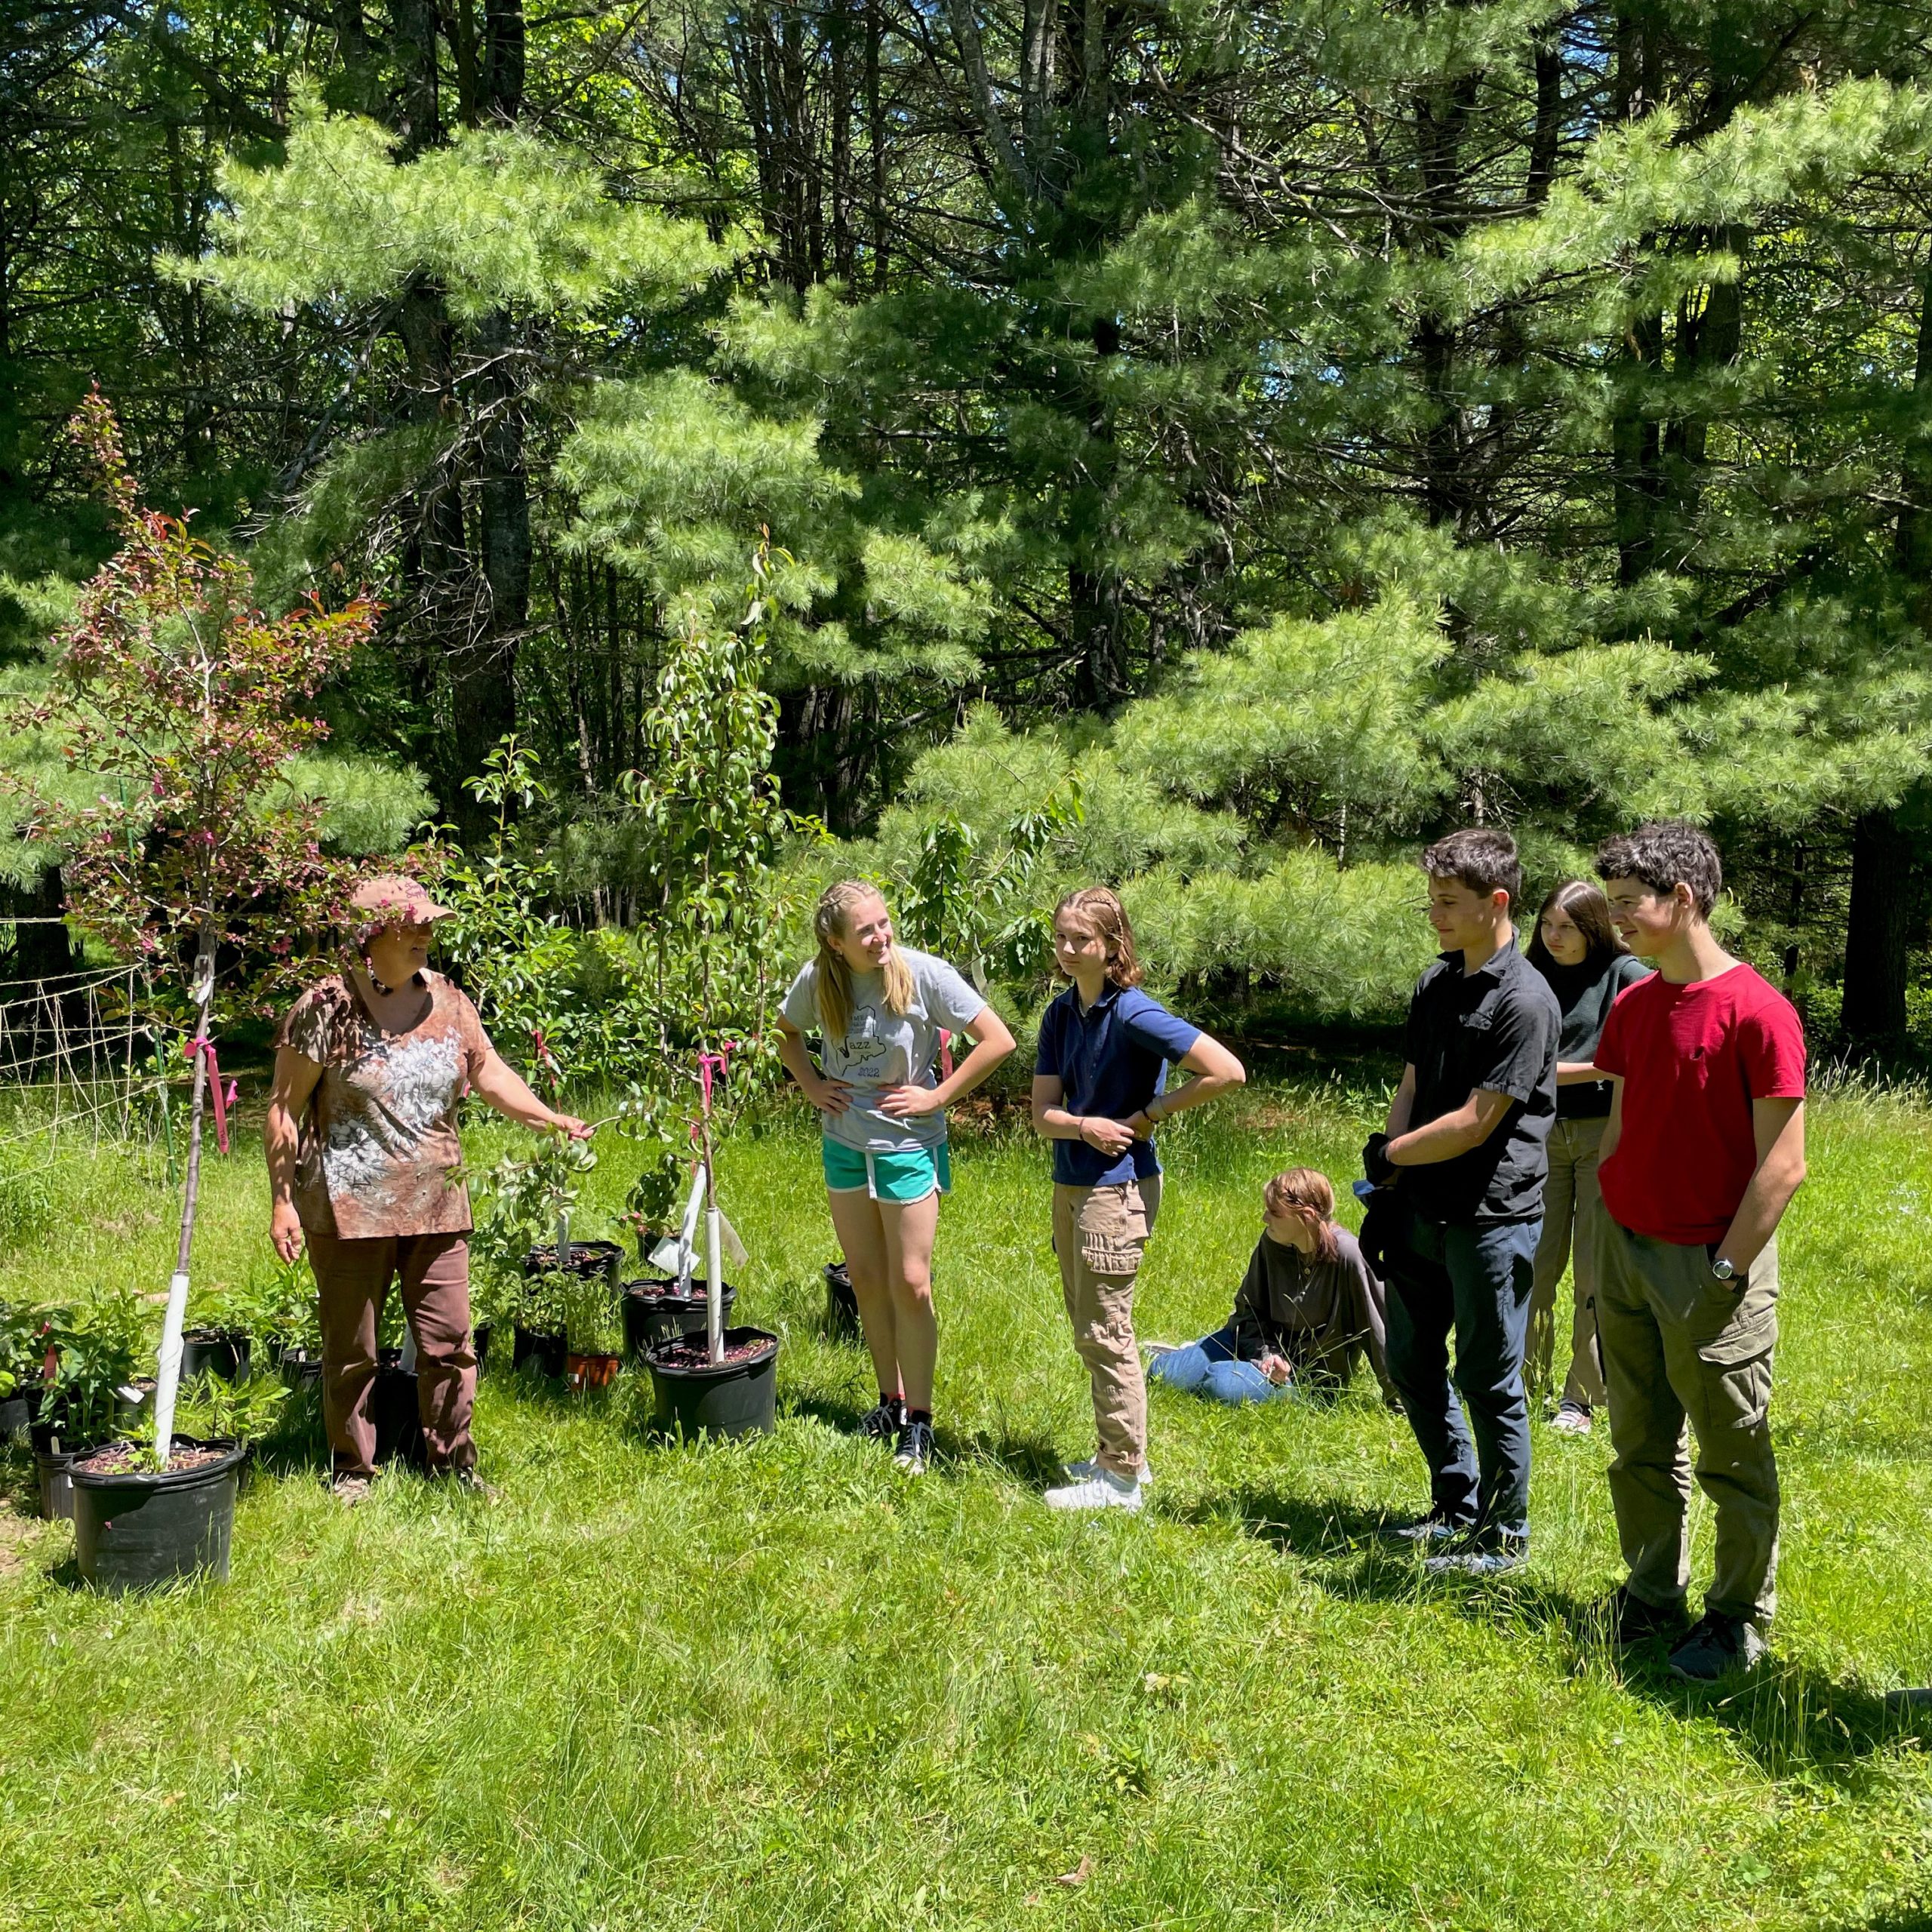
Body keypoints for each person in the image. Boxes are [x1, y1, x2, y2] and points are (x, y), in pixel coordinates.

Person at [265, 875, 592, 1503]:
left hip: (438, 1203)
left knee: (449, 1344)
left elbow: (489, 1072)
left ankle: (453, 1465)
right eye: (409, 925)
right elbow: (282, 1109)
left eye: (428, 924)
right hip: (346, 1210)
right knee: (352, 1352)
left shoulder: (451, 1000)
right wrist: (282, 1201)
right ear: (371, 936)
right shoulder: (326, 1008)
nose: (425, 935)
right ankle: (352, 1470)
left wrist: (548, 1118)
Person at [1591, 822, 1806, 1682]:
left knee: (1732, 1453)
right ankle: (1651, 1593)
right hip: (1626, 1253)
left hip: (1714, 1264)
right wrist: (1610, 1216)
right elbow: (1620, 1127)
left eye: (1627, 904)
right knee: (1638, 1442)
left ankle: (1736, 1618)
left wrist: (1725, 1272)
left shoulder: (1759, 1011)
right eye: (1610, 904)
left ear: (1682, 899)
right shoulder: (1633, 1005)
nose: (1616, 921)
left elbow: (1782, 1166)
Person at [1361, 829, 1559, 1576]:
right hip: (1419, 1207)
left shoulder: (1526, 1001)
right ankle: (1454, 1504)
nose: (1435, 915)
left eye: (1448, 902)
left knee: (1487, 1377)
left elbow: (1478, 1122)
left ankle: (1504, 1539)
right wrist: (1388, 1166)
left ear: (1496, 902)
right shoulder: (1435, 983)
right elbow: (1413, 1084)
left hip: (1491, 1217)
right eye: (1432, 900)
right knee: (1409, 1360)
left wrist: (1393, 1155)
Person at [776, 880, 1015, 1477]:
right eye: (866, 931)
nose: (881, 937)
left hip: (908, 1147)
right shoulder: (819, 980)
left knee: (911, 1283)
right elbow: (785, 1033)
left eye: (884, 923)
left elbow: (998, 1040)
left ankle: (920, 1421)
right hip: (844, 1145)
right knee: (864, 1276)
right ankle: (890, 1402)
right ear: (836, 943)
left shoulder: (924, 974)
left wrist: (937, 1096)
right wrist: (811, 1085)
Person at [1031, 887, 1245, 1511]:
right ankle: (1119, 1456)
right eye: (1061, 937)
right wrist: (1084, 1127)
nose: (1068, 950)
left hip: (1117, 1188)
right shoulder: (1060, 1015)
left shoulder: (1133, 1013)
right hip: (1072, 1180)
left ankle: (1122, 1480)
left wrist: (1150, 1113)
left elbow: (1226, 1071)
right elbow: (1042, 1115)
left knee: (1107, 1330)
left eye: (1082, 939)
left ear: (1112, 945)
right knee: (1089, 1328)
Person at [1523, 881, 1650, 1437]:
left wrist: (1579, 1070)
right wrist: (1599, 1066)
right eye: (1547, 924)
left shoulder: (1625, 975)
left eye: (1568, 927)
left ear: (1594, 927)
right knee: (1533, 1264)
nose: (1555, 937)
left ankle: (1580, 1398)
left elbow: (1643, 1052)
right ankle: (1523, 1382)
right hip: (1540, 1133)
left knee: (1594, 1272)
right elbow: (1519, 1061)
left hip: (1605, 1133)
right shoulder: (1529, 974)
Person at [1147, 1167, 1395, 1405]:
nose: (1265, 1218)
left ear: (1307, 1217)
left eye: (1275, 1212)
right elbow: (1249, 1313)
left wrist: (1399, 1400)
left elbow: (1381, 1331)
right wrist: (1268, 1354)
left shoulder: (1348, 1255)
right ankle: (1199, 1357)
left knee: (1220, 1383)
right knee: (1162, 1373)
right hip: (1253, 1347)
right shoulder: (1273, 1242)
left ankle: (1215, 1365)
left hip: (1303, 1376)